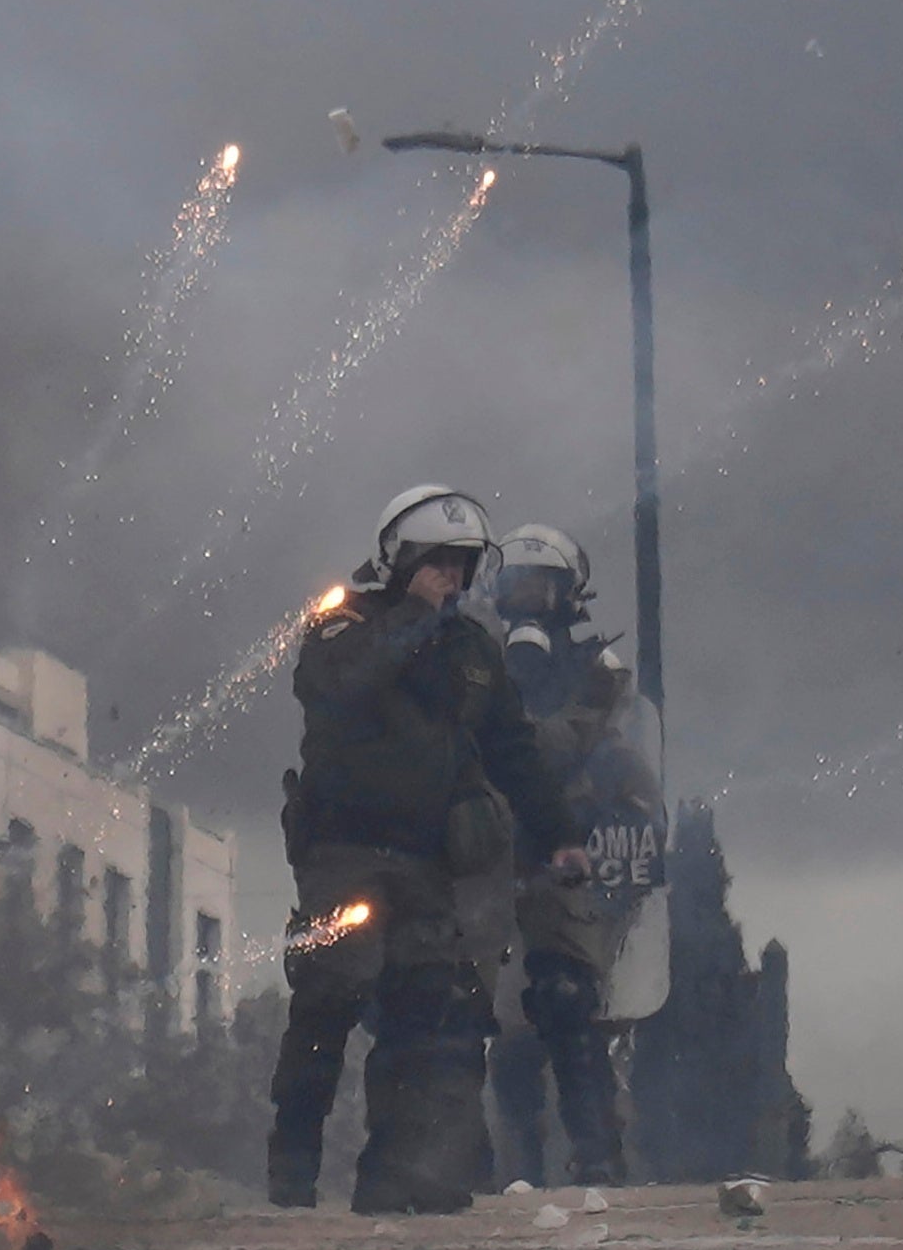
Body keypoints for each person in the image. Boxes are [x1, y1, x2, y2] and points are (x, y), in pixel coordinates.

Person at [269, 486, 576, 1213]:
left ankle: (403, 1174)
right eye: (436, 562)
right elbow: (339, 687)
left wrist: (558, 830)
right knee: (327, 999)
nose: (451, 577)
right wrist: (410, 616)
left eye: (462, 565)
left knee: (433, 1011)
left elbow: (511, 747)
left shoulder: (471, 649)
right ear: (398, 560)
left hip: (428, 863)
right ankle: (292, 1170)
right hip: (342, 851)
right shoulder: (342, 622)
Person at [486, 523, 652, 1188]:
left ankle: (597, 1157)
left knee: (562, 999)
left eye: (538, 586)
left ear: (566, 593)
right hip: (490, 852)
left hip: (566, 852)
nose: (525, 599)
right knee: (470, 1017)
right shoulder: (477, 664)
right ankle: (496, 1166)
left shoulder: (596, 675)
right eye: (513, 585)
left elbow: (558, 753)